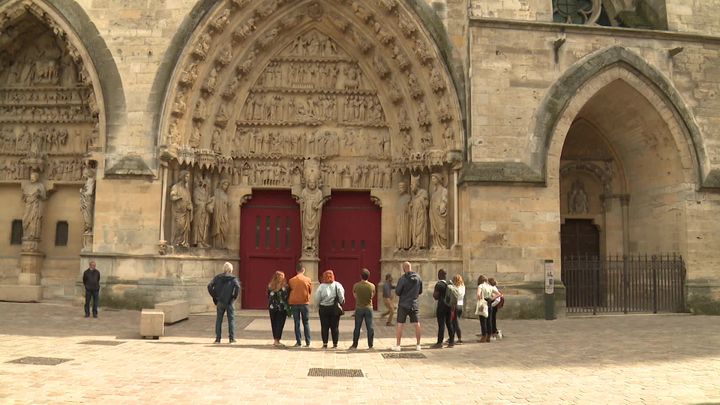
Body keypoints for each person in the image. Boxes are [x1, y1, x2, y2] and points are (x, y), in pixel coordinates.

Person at [391, 261, 422, 352]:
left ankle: (398, 345)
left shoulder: (403, 279)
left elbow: (397, 292)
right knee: (417, 324)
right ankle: (418, 345)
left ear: (404, 268)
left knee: (400, 324)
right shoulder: (418, 278)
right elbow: (420, 291)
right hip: (414, 303)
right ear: (410, 267)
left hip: (403, 304)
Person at [207, 262, 240, 344]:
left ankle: (218, 339)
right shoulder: (233, 278)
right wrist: (233, 297)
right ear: (231, 269)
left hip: (220, 301)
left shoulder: (218, 277)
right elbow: (238, 287)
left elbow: (209, 286)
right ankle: (231, 339)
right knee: (231, 320)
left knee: (219, 320)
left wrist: (214, 295)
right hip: (229, 302)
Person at [314, 270, 345, 349]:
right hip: (334, 308)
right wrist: (341, 302)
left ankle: (325, 343)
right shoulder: (337, 285)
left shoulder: (321, 286)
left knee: (324, 326)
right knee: (335, 327)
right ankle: (335, 344)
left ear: (324, 277)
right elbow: (341, 296)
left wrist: (317, 306)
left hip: (324, 308)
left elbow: (317, 298)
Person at [350, 268, 375, 350]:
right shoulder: (372, 286)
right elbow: (372, 295)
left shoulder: (356, 285)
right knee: (370, 327)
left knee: (357, 327)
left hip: (359, 308)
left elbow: (355, 296)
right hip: (368, 308)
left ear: (360, 276)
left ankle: (354, 345)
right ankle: (370, 345)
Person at [288, 265, 312, 347]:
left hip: (294, 302)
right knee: (306, 322)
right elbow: (310, 291)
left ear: (296, 270)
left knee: (296, 322)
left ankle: (298, 342)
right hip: (304, 302)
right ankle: (308, 342)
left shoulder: (291, 280)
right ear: (303, 270)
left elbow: (290, 291)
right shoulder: (308, 280)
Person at [432, 269, 454, 348]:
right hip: (449, 306)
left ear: (439, 275)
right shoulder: (450, 283)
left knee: (441, 324)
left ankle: (439, 342)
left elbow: (435, 296)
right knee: (449, 323)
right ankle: (451, 342)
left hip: (441, 306)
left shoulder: (439, 284)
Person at [268, 271, 289, 347]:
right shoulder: (285, 287)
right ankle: (277, 340)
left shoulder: (270, 286)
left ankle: (275, 339)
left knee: (274, 323)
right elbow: (287, 297)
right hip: (281, 308)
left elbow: (268, 296)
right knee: (280, 324)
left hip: (272, 307)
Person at [477, 275, 500, 343]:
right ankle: (488, 337)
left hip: (483, 302)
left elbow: (478, 294)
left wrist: (480, 298)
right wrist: (491, 299)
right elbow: (499, 294)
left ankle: (483, 336)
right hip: (489, 302)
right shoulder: (490, 286)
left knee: (482, 320)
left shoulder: (480, 286)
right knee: (489, 320)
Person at [451, 274, 465, 344]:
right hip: (460, 305)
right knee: (454, 322)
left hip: (455, 305)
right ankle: (452, 336)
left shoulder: (455, 288)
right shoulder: (463, 287)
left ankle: (459, 338)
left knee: (455, 322)